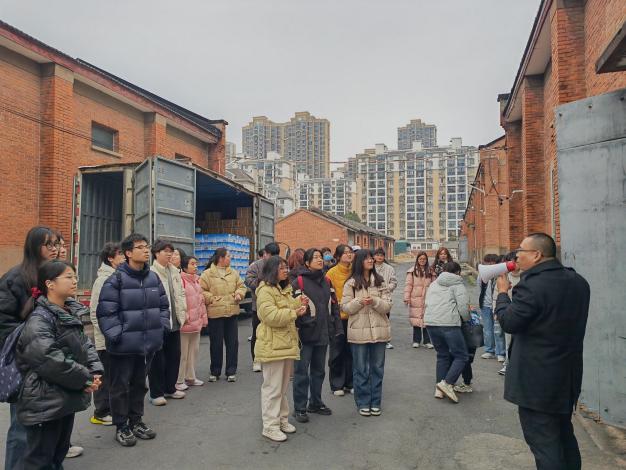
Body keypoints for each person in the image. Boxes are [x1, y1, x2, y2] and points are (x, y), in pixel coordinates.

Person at [495, 233, 590, 470]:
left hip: (537, 381)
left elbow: (509, 322)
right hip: (567, 377)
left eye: (521, 250)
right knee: (564, 436)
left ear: (537, 255)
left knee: (545, 444)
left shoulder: (532, 285)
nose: (517, 255)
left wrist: (503, 294)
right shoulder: (578, 281)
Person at [16, 260, 103, 469]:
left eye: (75, 276)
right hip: (45, 401)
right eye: (68, 277)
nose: (75, 281)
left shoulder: (68, 312)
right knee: (40, 460)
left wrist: (94, 371)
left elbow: (85, 344)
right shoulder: (39, 320)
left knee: (57, 455)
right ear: (50, 284)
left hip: (63, 396)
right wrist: (85, 378)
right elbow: (50, 360)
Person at [97, 233, 170, 447]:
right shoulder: (115, 280)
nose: (146, 250)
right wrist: (117, 336)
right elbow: (106, 313)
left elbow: (163, 306)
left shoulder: (153, 278)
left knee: (139, 385)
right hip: (123, 347)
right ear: (128, 253)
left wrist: (161, 328)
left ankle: (136, 421)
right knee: (120, 387)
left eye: (147, 246)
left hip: (146, 345)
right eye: (140, 247)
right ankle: (121, 426)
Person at [0, 226, 59, 470]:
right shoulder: (15, 278)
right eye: (49, 244)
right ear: (34, 247)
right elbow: (3, 322)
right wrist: (31, 344)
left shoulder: (56, 275)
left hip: (52, 360)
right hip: (25, 363)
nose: (55, 249)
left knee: (51, 420)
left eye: (57, 244)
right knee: (22, 427)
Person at [255, 256, 308, 442]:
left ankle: (281, 420)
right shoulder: (265, 291)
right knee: (272, 387)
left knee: (282, 387)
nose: (286, 271)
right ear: (272, 270)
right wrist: (294, 313)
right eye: (282, 268)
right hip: (272, 345)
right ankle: (270, 426)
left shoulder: (282, 289)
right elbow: (270, 316)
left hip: (285, 343)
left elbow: (286, 306)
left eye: (286, 267)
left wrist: (298, 302)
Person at [341, 249, 392, 417]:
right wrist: (359, 302)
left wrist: (375, 301)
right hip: (358, 332)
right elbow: (345, 307)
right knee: (361, 369)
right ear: (359, 262)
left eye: (372, 258)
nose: (371, 261)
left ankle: (375, 402)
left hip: (379, 330)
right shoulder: (351, 283)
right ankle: (363, 402)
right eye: (367, 258)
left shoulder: (380, 281)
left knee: (377, 368)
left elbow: (387, 306)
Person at [291, 248, 336, 423]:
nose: (319, 260)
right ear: (307, 263)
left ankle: (315, 403)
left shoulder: (327, 281)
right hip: (305, 335)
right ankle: (300, 408)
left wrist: (335, 328)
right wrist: (304, 323)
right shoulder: (299, 282)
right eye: (315, 257)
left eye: (320, 257)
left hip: (323, 333)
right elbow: (293, 307)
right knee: (301, 372)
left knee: (319, 371)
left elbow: (334, 306)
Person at [89, 242, 125, 426]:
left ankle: (110, 409)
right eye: (120, 254)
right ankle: (101, 412)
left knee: (114, 375)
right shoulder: (103, 280)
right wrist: (107, 334)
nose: (124, 257)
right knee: (105, 376)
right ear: (110, 258)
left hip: (117, 337)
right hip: (106, 339)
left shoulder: (117, 276)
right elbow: (95, 312)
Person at [424, 261, 470, 403]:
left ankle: (439, 389)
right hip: (449, 324)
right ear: (458, 272)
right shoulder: (458, 284)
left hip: (431, 323)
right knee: (461, 356)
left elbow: (427, 302)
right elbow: (463, 307)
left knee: (442, 355)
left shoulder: (434, 283)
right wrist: (467, 320)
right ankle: (447, 383)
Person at [200, 247, 246, 382]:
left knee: (232, 343)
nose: (230, 258)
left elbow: (242, 286)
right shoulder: (207, 274)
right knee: (216, 343)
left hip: (232, 312)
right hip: (216, 313)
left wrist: (239, 294)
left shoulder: (234, 273)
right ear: (221, 258)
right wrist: (211, 298)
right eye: (228, 256)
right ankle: (215, 371)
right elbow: (201, 290)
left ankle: (231, 371)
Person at [149, 240, 187, 403]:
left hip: (175, 320)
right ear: (156, 253)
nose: (169, 254)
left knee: (174, 356)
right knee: (157, 359)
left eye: (171, 251)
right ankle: (156, 393)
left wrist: (183, 312)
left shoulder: (174, 271)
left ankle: (170, 388)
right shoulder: (151, 273)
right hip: (158, 322)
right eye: (165, 251)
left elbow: (181, 294)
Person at [246, 242, 280, 373]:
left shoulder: (281, 265)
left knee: (275, 333)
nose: (270, 257)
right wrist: (261, 282)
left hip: (277, 306)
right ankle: (256, 360)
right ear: (265, 254)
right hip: (259, 307)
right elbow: (249, 280)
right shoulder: (256, 265)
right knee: (257, 334)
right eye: (269, 255)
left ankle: (273, 357)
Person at [325, 244, 354, 396]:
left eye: (351, 252)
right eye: (346, 253)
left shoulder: (355, 271)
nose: (349, 255)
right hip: (337, 318)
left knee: (352, 352)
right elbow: (329, 296)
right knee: (337, 352)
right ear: (338, 256)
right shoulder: (331, 273)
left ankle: (350, 382)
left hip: (354, 317)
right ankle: (337, 385)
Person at [177, 255, 208, 388]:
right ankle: (179, 380)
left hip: (196, 323)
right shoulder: (181, 280)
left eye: (196, 264)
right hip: (186, 324)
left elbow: (201, 302)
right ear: (184, 267)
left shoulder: (197, 281)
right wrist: (185, 317)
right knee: (182, 354)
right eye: (192, 264)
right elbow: (179, 302)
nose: (195, 266)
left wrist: (203, 318)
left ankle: (191, 377)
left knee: (193, 352)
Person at [495, 251, 520, 376]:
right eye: (510, 262)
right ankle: (507, 363)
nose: (513, 264)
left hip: (520, 312)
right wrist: (496, 310)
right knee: (508, 340)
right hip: (508, 311)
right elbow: (497, 294)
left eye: (515, 261)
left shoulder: (526, 277)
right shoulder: (505, 277)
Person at [403, 251, 433, 349]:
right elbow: (408, 285)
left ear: (426, 260)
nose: (422, 260)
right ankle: (416, 340)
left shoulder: (431, 271)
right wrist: (406, 297)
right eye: (420, 259)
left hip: (428, 299)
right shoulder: (412, 271)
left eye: (424, 259)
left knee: (427, 321)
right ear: (417, 260)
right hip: (415, 299)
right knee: (416, 320)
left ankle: (427, 341)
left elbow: (434, 285)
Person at [479, 253, 506, 361]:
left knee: (498, 330)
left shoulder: (500, 275)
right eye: (486, 263)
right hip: (486, 305)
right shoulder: (482, 275)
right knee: (487, 329)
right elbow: (480, 290)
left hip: (496, 305)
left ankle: (500, 352)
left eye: (491, 263)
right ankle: (489, 350)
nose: (488, 265)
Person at [373, 248, 397, 350]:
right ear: (374, 256)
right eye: (377, 255)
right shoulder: (370, 266)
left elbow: (394, 282)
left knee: (385, 319)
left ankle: (386, 341)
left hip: (385, 297)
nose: (379, 257)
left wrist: (387, 288)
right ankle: (374, 339)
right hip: (373, 296)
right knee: (373, 319)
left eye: (381, 255)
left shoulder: (389, 268)